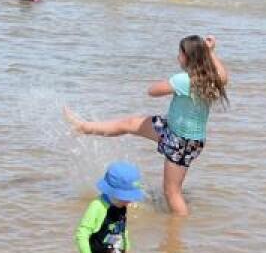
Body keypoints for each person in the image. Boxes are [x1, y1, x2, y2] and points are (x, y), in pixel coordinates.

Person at [64, 35, 228, 216]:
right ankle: (84, 127)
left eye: (180, 53)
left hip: (181, 141)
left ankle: (178, 230)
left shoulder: (185, 80)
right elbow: (223, 74)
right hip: (175, 131)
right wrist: (211, 52)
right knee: (130, 123)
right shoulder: (213, 78)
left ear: (188, 57)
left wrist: (174, 82)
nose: (177, 57)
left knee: (171, 192)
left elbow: (153, 91)